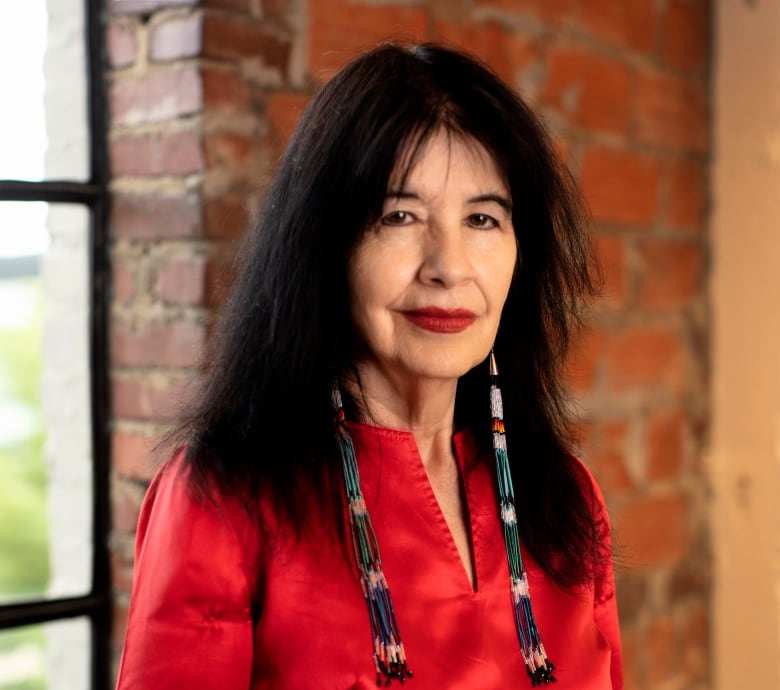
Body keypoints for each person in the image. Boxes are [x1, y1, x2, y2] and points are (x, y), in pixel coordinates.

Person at [115, 42, 622, 690]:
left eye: (483, 219)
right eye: (400, 215)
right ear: (326, 244)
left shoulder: (567, 498)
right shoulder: (223, 501)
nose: (449, 265)